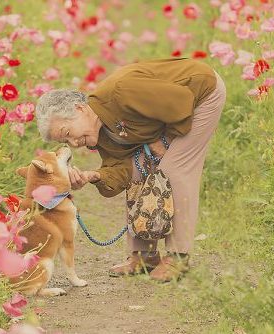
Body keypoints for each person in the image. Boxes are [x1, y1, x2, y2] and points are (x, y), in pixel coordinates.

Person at [35, 58, 226, 282]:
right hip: (171, 112)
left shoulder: (121, 92)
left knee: (174, 169)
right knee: (140, 171)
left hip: (201, 95)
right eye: (65, 142)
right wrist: (93, 176)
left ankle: (178, 258)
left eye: (68, 133)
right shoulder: (98, 134)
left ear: (80, 109)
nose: (74, 143)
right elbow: (123, 170)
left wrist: (166, 139)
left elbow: (182, 101)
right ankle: (145, 256)